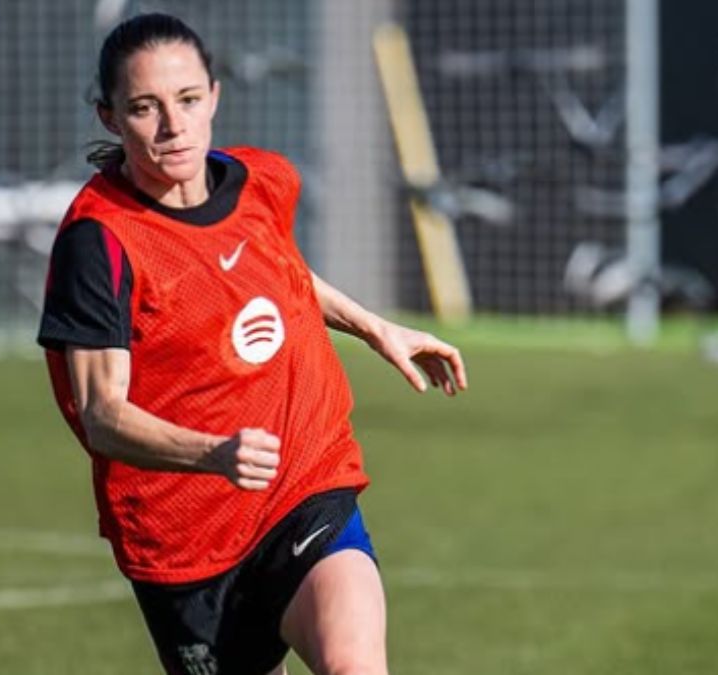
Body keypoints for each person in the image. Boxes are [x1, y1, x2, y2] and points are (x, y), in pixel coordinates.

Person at [38, 13, 467, 675]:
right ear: (110, 117)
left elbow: (279, 275)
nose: (173, 125)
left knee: (355, 665)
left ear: (214, 96)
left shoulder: (261, 180)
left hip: (304, 483)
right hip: (183, 540)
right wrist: (214, 452)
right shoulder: (101, 243)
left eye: (187, 99)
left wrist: (377, 328)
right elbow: (103, 414)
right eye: (145, 108)